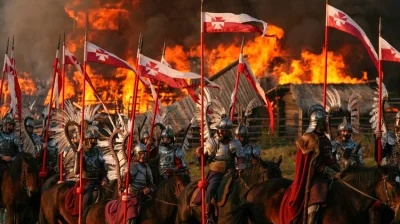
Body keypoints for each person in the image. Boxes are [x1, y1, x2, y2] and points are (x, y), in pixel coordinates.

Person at [280, 104, 340, 224]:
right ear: (317, 123)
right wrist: (333, 173)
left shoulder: (325, 138)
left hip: (330, 174)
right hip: (314, 177)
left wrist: (338, 169)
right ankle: (311, 220)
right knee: (317, 194)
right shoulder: (309, 140)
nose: (326, 124)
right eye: (323, 121)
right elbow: (316, 165)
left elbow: (330, 158)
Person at [196, 117, 245, 223]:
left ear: (228, 131)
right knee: (210, 189)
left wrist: (240, 169)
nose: (221, 133)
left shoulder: (235, 143)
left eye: (224, 131)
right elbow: (203, 163)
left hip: (231, 171)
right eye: (220, 130)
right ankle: (208, 215)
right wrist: (200, 155)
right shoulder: (212, 142)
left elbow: (240, 157)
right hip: (216, 172)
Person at [74, 130, 107, 211]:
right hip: (86, 181)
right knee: (88, 196)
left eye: (95, 139)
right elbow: (76, 171)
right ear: (87, 140)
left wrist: (104, 178)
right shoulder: (83, 153)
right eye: (91, 139)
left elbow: (103, 168)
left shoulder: (99, 152)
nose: (94, 141)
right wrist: (78, 154)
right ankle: (82, 215)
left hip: (98, 180)